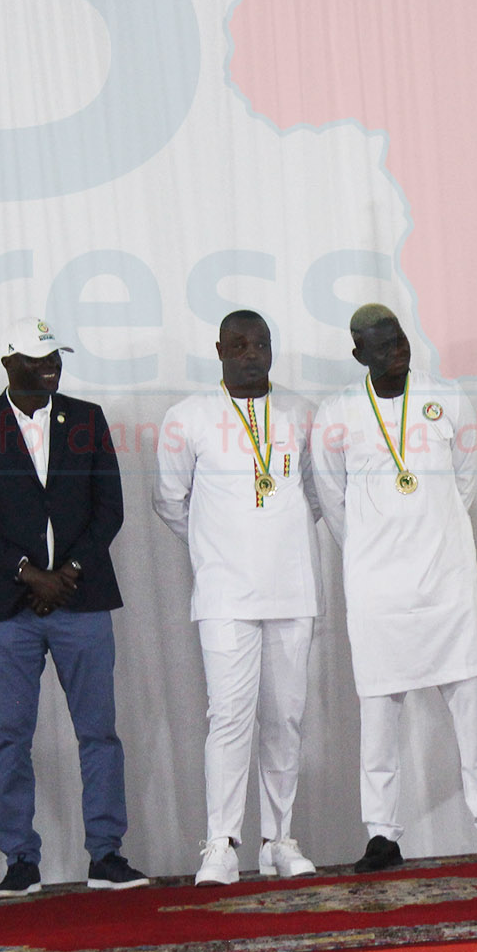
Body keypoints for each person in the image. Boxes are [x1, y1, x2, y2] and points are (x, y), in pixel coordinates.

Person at [311, 304, 477, 872]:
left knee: (472, 709)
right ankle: (383, 834)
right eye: (382, 345)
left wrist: (434, 535)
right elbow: (332, 501)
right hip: (378, 590)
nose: (396, 351)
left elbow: (465, 481)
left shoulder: (447, 398)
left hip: (447, 580)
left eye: (400, 339)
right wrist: (371, 549)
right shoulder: (337, 414)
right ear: (359, 354)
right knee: (378, 714)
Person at [0, 317, 148, 894]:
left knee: (99, 733)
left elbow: (108, 508)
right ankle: (20, 859)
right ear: (8, 362)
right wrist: (27, 574)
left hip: (81, 598)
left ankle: (106, 854)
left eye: (55, 356)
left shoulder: (85, 419)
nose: (51, 366)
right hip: (11, 609)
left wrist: (67, 573)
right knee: (11, 736)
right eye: (38, 358)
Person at [155, 310, 322, 886]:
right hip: (225, 594)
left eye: (263, 344)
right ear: (220, 348)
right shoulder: (188, 417)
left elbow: (317, 496)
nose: (253, 354)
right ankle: (221, 844)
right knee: (228, 717)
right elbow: (170, 500)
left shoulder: (302, 413)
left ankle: (279, 840)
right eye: (241, 344)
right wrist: (215, 546)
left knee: (286, 718)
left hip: (292, 589)